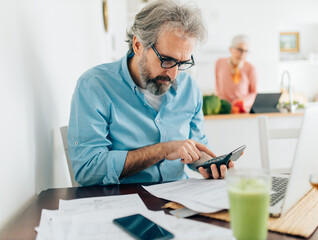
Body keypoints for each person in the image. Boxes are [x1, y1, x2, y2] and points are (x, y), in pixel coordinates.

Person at [67, 0, 234, 186]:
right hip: (125, 204)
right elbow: (88, 171)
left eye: (182, 63)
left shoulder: (189, 88)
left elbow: (196, 146)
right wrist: (163, 150)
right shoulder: (94, 86)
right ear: (138, 45)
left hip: (178, 201)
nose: (174, 74)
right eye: (166, 60)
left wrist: (210, 163)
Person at [215, 35, 257, 112]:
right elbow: (218, 87)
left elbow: (254, 93)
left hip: (241, 110)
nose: (242, 54)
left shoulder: (251, 69)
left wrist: (241, 102)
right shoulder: (219, 63)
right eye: (240, 50)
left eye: (246, 51)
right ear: (230, 49)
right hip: (222, 109)